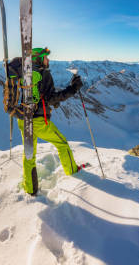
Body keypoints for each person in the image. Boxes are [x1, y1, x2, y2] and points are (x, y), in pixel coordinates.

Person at [12, 47, 83, 195]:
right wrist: (73, 89)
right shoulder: (44, 74)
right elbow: (51, 98)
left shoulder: (26, 73)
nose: (48, 60)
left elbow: (37, 96)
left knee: (29, 155)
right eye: (46, 57)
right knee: (62, 144)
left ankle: (30, 189)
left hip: (23, 119)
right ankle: (73, 172)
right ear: (38, 59)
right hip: (38, 122)